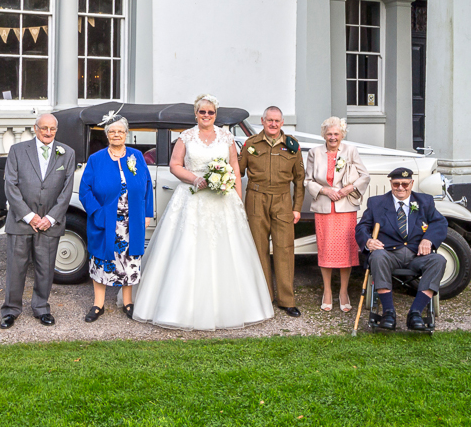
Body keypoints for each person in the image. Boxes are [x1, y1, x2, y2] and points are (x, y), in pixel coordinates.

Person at [131, 94, 274, 330]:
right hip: (192, 197)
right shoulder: (186, 137)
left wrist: (238, 198)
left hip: (223, 199)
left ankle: (230, 308)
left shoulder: (226, 137)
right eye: (202, 112)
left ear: (215, 115)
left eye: (211, 112)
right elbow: (175, 165)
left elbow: (234, 167)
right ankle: (178, 309)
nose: (206, 116)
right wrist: (195, 179)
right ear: (196, 114)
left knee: (227, 250)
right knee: (187, 248)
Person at [0, 113, 76, 329]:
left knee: (45, 268)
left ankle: (41, 308)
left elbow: (67, 189)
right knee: (16, 268)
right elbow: (10, 186)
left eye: (52, 129)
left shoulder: (67, 153)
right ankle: (10, 310)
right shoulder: (17, 150)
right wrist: (29, 216)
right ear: (35, 128)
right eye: (44, 128)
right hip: (21, 221)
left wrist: (50, 218)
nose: (48, 132)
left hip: (49, 223)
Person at [79, 115, 153, 322]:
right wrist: (97, 212)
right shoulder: (96, 159)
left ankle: (128, 302)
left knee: (129, 260)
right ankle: (98, 304)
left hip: (132, 220)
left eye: (120, 131)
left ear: (126, 134)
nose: (116, 134)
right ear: (107, 135)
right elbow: (85, 190)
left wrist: (147, 213)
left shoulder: (136, 156)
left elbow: (147, 185)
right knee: (102, 260)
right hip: (105, 219)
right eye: (112, 131)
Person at [355, 167, 447, 332]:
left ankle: (416, 313)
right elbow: (362, 227)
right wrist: (368, 241)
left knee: (438, 260)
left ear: (411, 183)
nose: (400, 188)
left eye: (405, 184)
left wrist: (428, 239)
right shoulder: (377, 203)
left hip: (417, 255)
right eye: (396, 184)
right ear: (391, 183)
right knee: (377, 256)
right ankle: (388, 313)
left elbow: (440, 222)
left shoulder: (424, 201)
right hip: (389, 255)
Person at [238, 106, 306, 317]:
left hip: (282, 200)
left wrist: (296, 207)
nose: (273, 124)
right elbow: (238, 172)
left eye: (277, 121)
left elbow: (300, 179)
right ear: (263, 121)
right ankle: (264, 298)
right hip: (256, 198)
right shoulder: (251, 144)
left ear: (282, 123)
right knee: (259, 249)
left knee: (284, 248)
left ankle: (287, 300)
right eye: (269, 120)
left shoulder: (292, 146)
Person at [305, 116, 370, 312]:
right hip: (324, 208)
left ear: (342, 135)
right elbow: (308, 180)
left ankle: (343, 291)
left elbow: (364, 175)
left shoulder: (351, 150)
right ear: (324, 135)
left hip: (345, 208)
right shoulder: (314, 152)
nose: (332, 137)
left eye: (336, 134)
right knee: (325, 250)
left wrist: (348, 189)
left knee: (346, 251)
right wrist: (325, 191)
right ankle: (327, 291)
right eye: (329, 134)